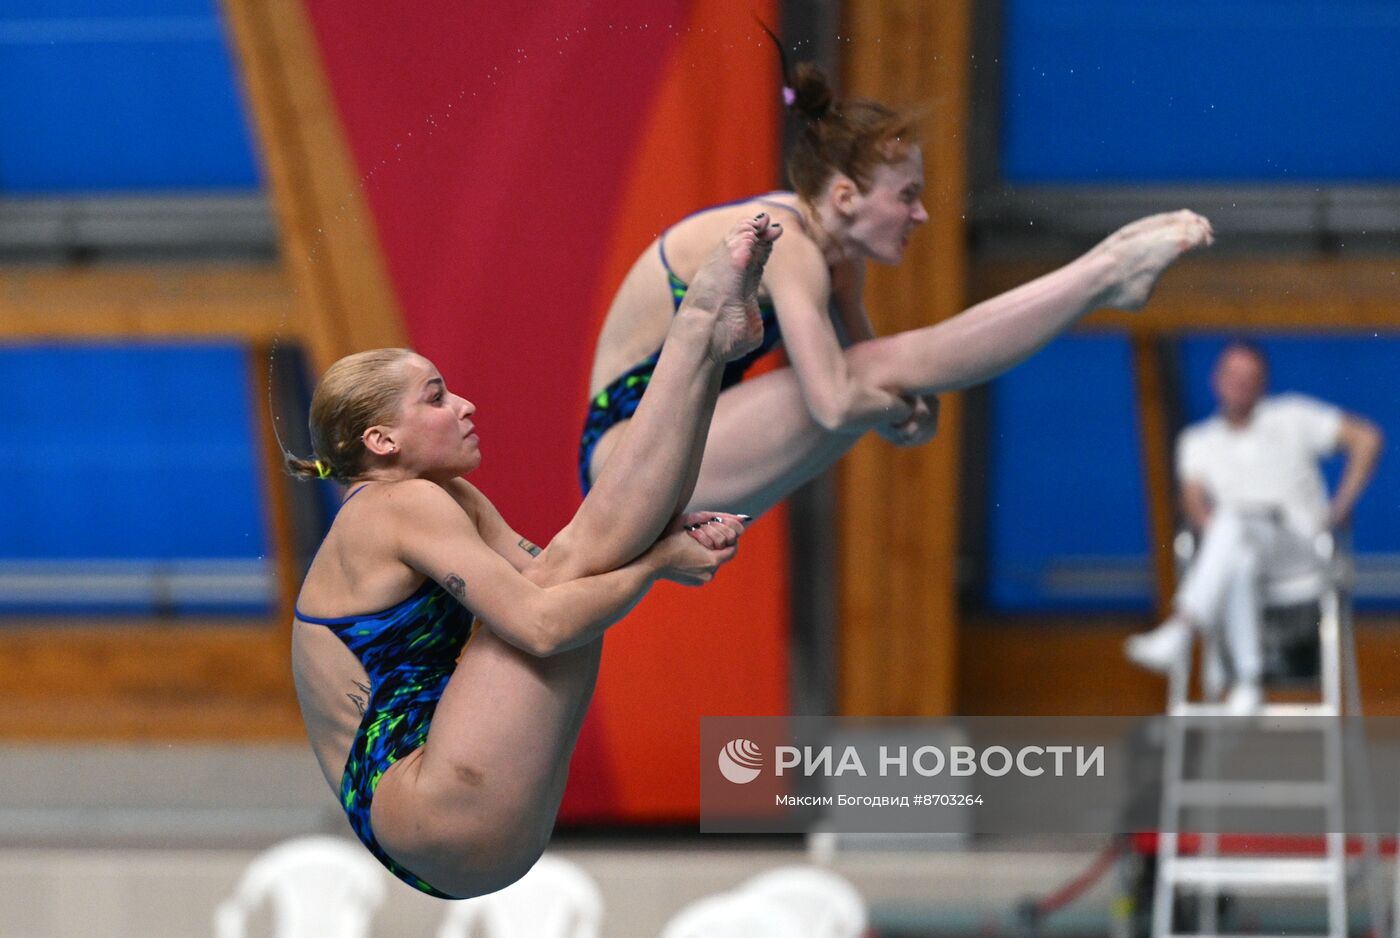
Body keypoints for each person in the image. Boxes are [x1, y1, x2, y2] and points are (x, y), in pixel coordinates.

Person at [287, 215, 781, 899]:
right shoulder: (393, 506)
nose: (464, 404)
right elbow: (543, 625)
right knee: (577, 577)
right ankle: (697, 333)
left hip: (455, 835)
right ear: (381, 440)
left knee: (581, 563)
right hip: (432, 805)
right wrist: (658, 563)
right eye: (435, 397)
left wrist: (660, 538)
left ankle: (708, 344)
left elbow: (566, 564)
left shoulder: (444, 496)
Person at [580, 59, 1215, 515]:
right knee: (868, 373)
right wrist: (891, 405)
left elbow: (879, 373)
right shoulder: (789, 247)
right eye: (907, 197)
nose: (922, 216)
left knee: (881, 365)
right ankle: (1105, 272)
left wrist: (902, 408)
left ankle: (1104, 273)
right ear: (847, 197)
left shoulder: (836, 257)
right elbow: (835, 400)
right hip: (625, 457)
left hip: (677, 444)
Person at [1125, 340, 1383, 713]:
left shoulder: (1292, 415)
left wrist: (1341, 506)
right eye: (1233, 375)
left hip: (1300, 552)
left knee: (1233, 523)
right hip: (1238, 554)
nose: (1241, 384)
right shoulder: (1197, 441)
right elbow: (1193, 496)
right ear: (1216, 380)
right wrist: (1213, 527)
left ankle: (1182, 629)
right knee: (1238, 547)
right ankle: (1248, 680)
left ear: (1263, 382)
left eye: (1251, 377)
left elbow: (1367, 438)